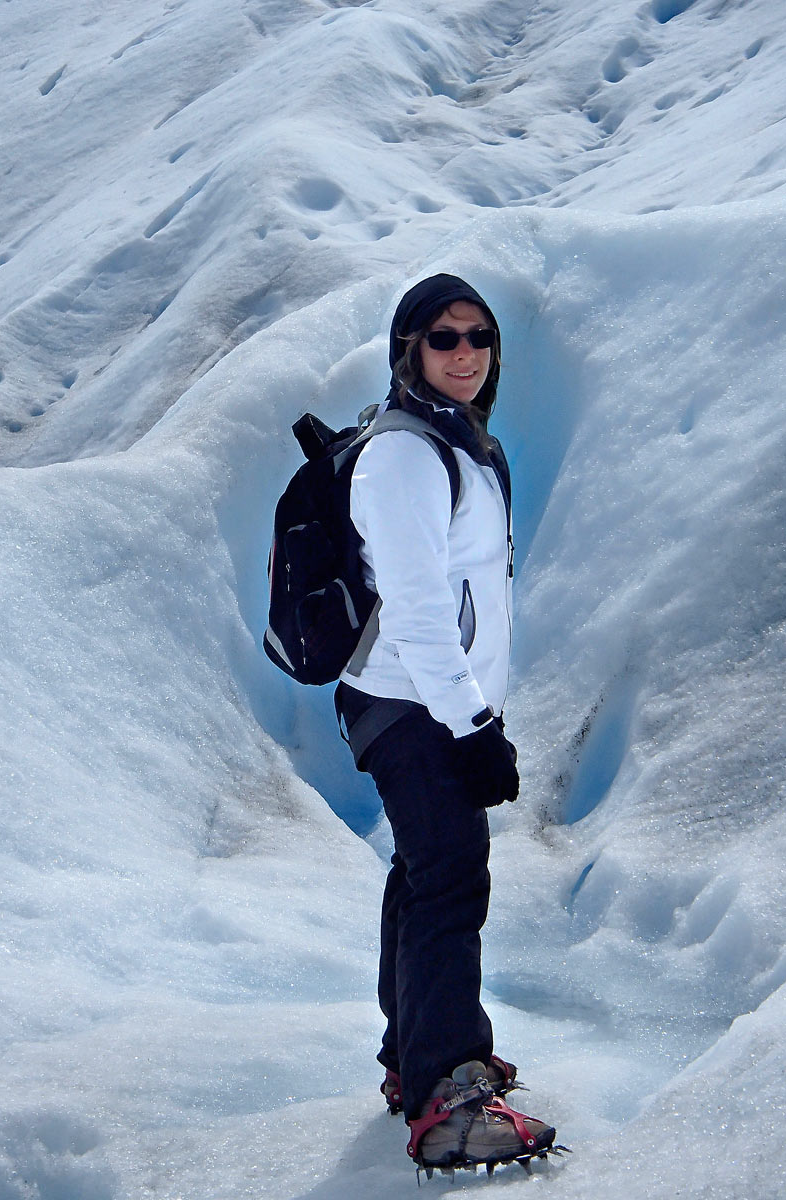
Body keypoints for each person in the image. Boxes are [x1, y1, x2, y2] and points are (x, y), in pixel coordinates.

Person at [334, 274, 558, 1173]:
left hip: (432, 696)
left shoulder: (459, 441)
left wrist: (475, 710)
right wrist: (473, 725)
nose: (465, 353)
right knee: (454, 877)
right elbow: (422, 612)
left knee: (429, 869)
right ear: (408, 350)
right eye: (443, 338)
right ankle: (446, 1085)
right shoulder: (404, 456)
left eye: (479, 336)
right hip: (411, 698)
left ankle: (413, 1056)